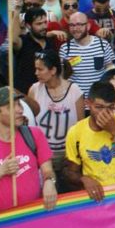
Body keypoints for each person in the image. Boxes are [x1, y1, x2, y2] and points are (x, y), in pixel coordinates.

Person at [0, 87, 57, 214]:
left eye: (19, 104)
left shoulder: (34, 135)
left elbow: (48, 170)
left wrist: (49, 182)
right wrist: (1, 171)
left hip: (33, 216)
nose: (20, 110)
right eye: (11, 107)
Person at [64, 81, 115, 201]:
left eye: (110, 108)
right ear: (88, 104)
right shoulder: (75, 132)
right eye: (99, 107)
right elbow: (70, 172)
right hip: (97, 199)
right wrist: (84, 179)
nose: (104, 113)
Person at [28, 50, 85, 184]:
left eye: (40, 69)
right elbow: (31, 124)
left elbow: (81, 126)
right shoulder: (34, 90)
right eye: (36, 69)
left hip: (68, 155)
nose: (36, 73)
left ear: (53, 70)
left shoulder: (75, 91)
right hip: (44, 155)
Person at [59, 12, 115, 98]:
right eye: (72, 25)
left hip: (99, 101)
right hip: (76, 101)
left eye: (79, 24)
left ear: (88, 26)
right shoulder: (65, 49)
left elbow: (110, 71)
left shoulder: (103, 45)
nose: (75, 28)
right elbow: (62, 77)